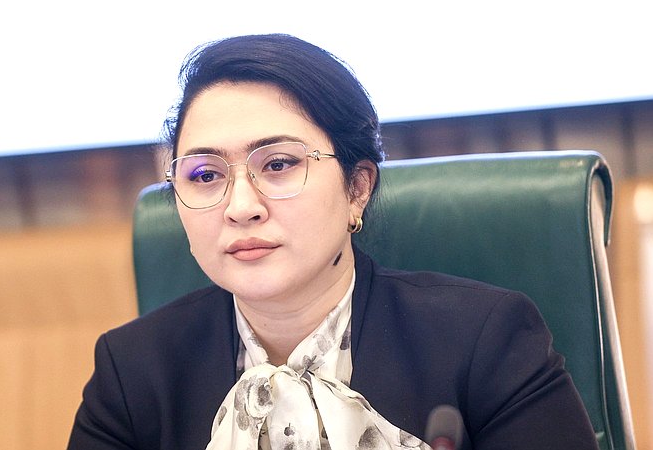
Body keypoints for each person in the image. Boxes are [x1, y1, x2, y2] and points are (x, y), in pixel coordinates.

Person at [67, 34, 599, 449]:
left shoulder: (486, 341)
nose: (241, 206)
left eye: (279, 164)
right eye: (205, 175)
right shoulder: (131, 372)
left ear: (356, 189)